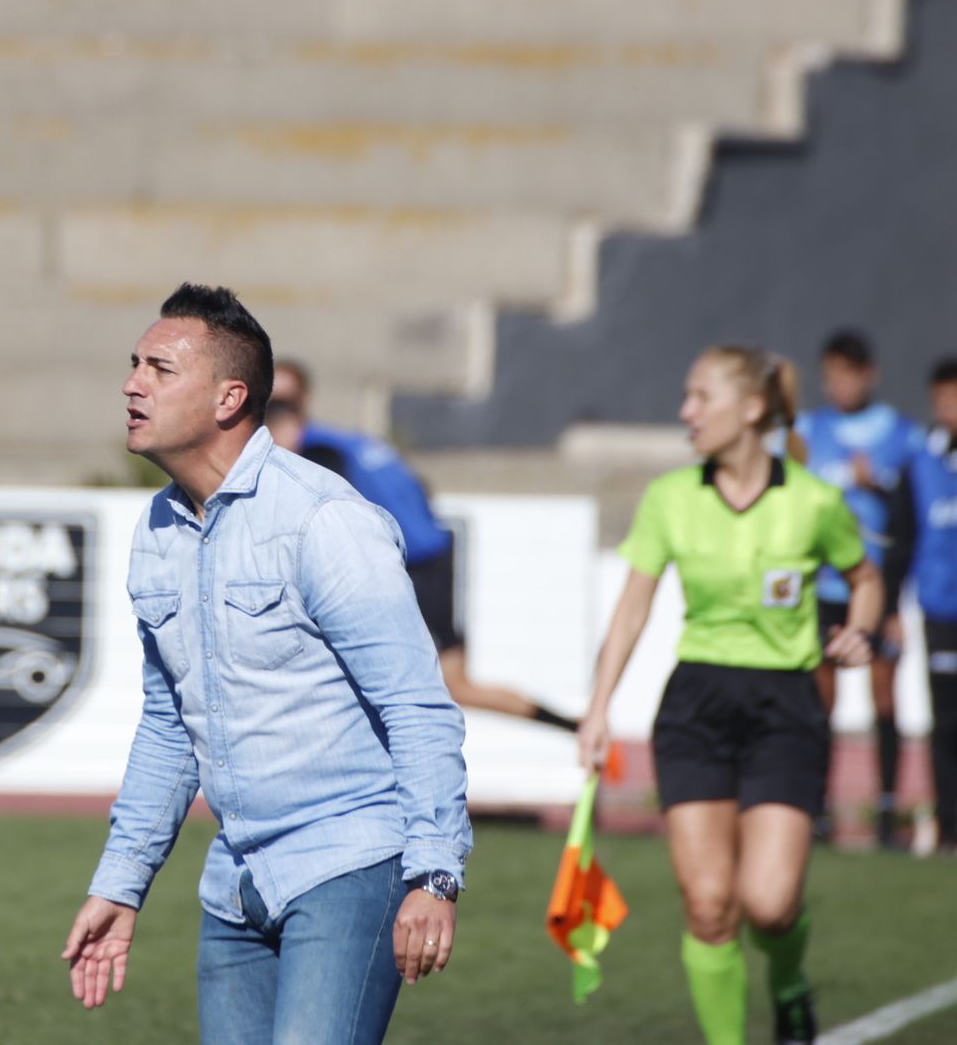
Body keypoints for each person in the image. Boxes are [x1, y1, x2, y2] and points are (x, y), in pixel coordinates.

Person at [61, 284, 472, 1044]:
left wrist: (434, 873)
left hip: (352, 863)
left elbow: (419, 704)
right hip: (235, 886)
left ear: (230, 397)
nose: (132, 383)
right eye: (133, 364)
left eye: (159, 367)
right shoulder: (157, 527)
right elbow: (168, 724)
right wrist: (121, 883)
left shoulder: (324, 520)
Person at [578, 346, 882, 1045]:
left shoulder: (814, 501)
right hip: (696, 706)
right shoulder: (670, 498)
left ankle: (789, 982)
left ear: (751, 409)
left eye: (699, 397)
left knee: (770, 906)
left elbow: (865, 577)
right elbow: (630, 611)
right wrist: (598, 709)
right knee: (710, 906)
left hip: (786, 710)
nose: (685, 412)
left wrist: (862, 628)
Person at [268, 361, 586, 734]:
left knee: (359, 673)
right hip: (430, 558)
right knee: (454, 685)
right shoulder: (353, 441)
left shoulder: (318, 450)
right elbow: (418, 492)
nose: (273, 413)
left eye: (281, 403)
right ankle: (573, 725)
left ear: (303, 401)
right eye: (270, 403)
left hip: (412, 566)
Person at [794, 330, 924, 847]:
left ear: (868, 374)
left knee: (884, 696)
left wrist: (897, 598)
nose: (838, 386)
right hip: (826, 585)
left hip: (878, 586)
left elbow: (912, 515)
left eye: (848, 375)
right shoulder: (808, 430)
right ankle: (819, 808)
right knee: (822, 697)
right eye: (831, 376)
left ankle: (888, 811)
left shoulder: (901, 435)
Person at [886, 357, 957, 856]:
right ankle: (949, 825)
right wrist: (891, 608)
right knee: (946, 723)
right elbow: (902, 543)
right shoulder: (920, 465)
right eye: (942, 399)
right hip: (941, 612)